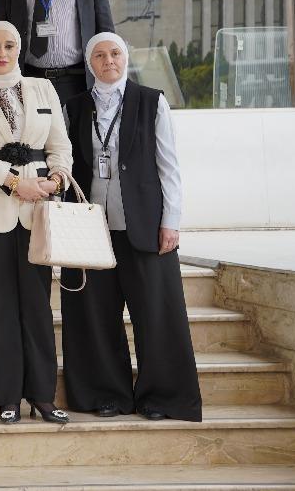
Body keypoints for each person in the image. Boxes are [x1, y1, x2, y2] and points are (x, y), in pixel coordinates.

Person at [61, 32, 202, 422]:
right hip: (90, 231)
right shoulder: (74, 106)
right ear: (90, 63)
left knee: (157, 314)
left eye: (115, 53)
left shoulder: (152, 101)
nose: (108, 60)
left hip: (145, 226)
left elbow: (169, 167)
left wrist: (171, 222)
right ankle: (106, 393)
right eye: (100, 55)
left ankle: (163, 398)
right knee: (94, 315)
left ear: (126, 58)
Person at [0, 21, 73, 425]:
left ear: (18, 49)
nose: (1, 53)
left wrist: (56, 179)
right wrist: (13, 181)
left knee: (38, 305)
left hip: (38, 208)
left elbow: (59, 144)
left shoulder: (43, 88)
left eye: (8, 45)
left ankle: (43, 396)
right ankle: (7, 396)